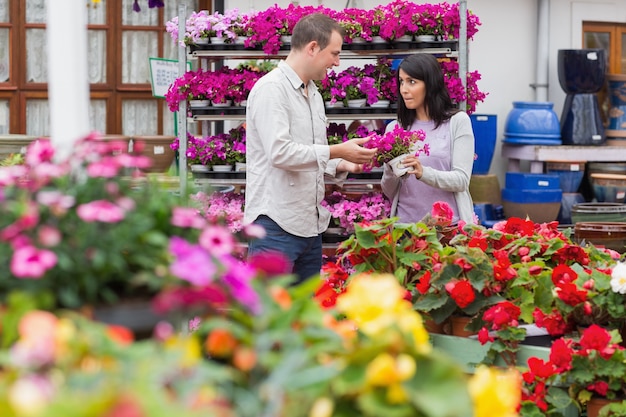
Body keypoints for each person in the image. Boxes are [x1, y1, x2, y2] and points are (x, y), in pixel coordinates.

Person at [243, 13, 378, 284]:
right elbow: (280, 153)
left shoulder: (313, 93)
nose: (337, 62)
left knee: (303, 319)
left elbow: (310, 151)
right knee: (270, 320)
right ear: (313, 47)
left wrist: (345, 163)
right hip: (275, 226)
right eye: (335, 54)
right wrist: (338, 151)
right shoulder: (272, 90)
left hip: (308, 226)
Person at [380, 54, 476, 225]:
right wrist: (389, 168)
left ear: (430, 84)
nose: (404, 89)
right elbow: (389, 191)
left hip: (447, 230)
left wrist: (423, 173)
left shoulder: (457, 122)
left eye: (412, 82)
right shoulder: (395, 129)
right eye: (401, 82)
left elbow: (461, 180)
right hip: (405, 228)